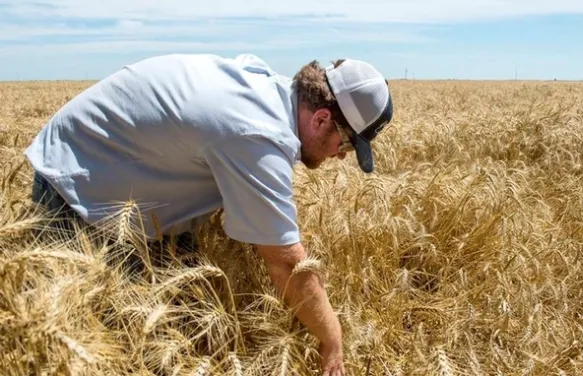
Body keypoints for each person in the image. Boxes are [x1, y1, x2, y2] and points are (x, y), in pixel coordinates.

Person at [23, 53, 393, 375]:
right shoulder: (258, 134)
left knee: (182, 311)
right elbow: (287, 265)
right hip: (76, 183)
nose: (341, 154)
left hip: (114, 171)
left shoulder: (265, 85)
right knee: (109, 338)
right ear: (321, 119)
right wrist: (332, 340)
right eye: (345, 143)